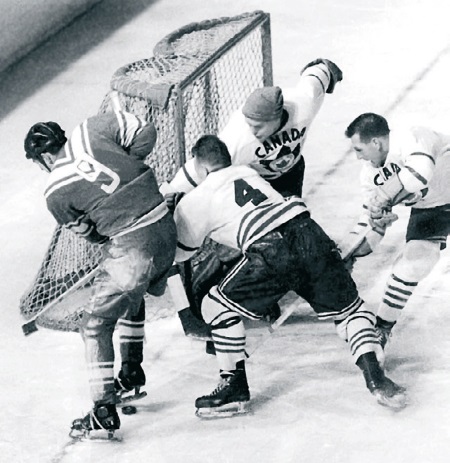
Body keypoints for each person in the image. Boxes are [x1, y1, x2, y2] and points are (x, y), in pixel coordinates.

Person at [172, 134, 407, 416]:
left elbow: (179, 255)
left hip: (271, 248)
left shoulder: (197, 198)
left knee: (214, 305)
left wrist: (174, 216)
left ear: (200, 167)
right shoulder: (248, 172)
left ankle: (233, 384)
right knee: (350, 312)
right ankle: (377, 380)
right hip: (309, 232)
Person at [162, 57, 344, 338]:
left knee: (287, 235)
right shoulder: (237, 137)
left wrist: (330, 71)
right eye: (249, 124)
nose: (253, 130)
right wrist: (168, 195)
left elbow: (319, 73)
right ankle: (243, 293)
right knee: (255, 242)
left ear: (277, 117)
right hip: (254, 180)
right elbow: (199, 168)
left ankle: (272, 290)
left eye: (258, 126)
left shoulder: (302, 103)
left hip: (290, 174)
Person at [24, 110, 177, 437]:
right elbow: (145, 130)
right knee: (133, 295)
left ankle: (103, 408)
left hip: (133, 249)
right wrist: (130, 168)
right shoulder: (90, 128)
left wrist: (110, 229)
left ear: (45, 157)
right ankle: (131, 370)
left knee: (93, 326)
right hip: (166, 227)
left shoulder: (54, 191)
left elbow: (89, 233)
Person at [343, 112, 450, 348]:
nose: (358, 157)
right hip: (435, 207)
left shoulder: (411, 136)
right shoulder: (369, 175)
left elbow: (419, 174)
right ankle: (382, 328)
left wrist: (385, 195)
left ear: (376, 142)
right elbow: (370, 227)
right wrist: (350, 253)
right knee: (414, 263)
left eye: (359, 149)